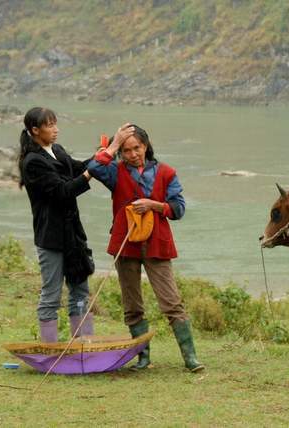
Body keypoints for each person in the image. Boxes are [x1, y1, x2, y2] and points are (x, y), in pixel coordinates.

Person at [88, 123, 204, 372]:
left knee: (171, 301)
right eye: (127, 150)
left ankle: (190, 358)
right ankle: (143, 358)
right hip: (125, 242)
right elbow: (93, 167)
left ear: (146, 145)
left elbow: (179, 208)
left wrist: (154, 205)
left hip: (157, 242)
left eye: (137, 148)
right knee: (132, 303)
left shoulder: (166, 173)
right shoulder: (114, 172)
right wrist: (114, 143)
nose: (133, 154)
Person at [18, 107, 95, 342]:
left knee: (80, 290)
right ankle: (50, 348)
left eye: (55, 123)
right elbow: (63, 191)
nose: (55, 129)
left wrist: (107, 152)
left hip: (73, 235)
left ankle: (83, 343)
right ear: (35, 130)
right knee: (52, 294)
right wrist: (92, 171)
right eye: (50, 125)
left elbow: (80, 168)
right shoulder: (33, 162)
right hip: (51, 237)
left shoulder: (57, 151)